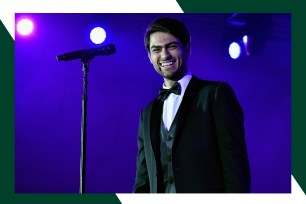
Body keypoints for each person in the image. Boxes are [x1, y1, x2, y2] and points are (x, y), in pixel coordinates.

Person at [133, 17, 250, 193]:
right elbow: (142, 180)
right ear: (149, 57)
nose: (164, 55)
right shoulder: (147, 113)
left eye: (171, 46)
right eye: (156, 49)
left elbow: (235, 167)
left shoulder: (216, 94)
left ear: (187, 48)